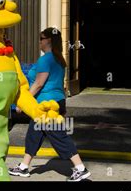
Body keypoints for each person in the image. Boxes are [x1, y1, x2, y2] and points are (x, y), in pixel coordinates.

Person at [8, 28, 91, 182]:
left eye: (41, 38)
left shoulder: (46, 59)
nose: (39, 41)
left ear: (48, 41)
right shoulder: (59, 59)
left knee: (58, 135)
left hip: (47, 105)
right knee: (34, 134)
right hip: (56, 101)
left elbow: (39, 84)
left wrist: (23, 102)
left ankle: (80, 168)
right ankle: (24, 167)